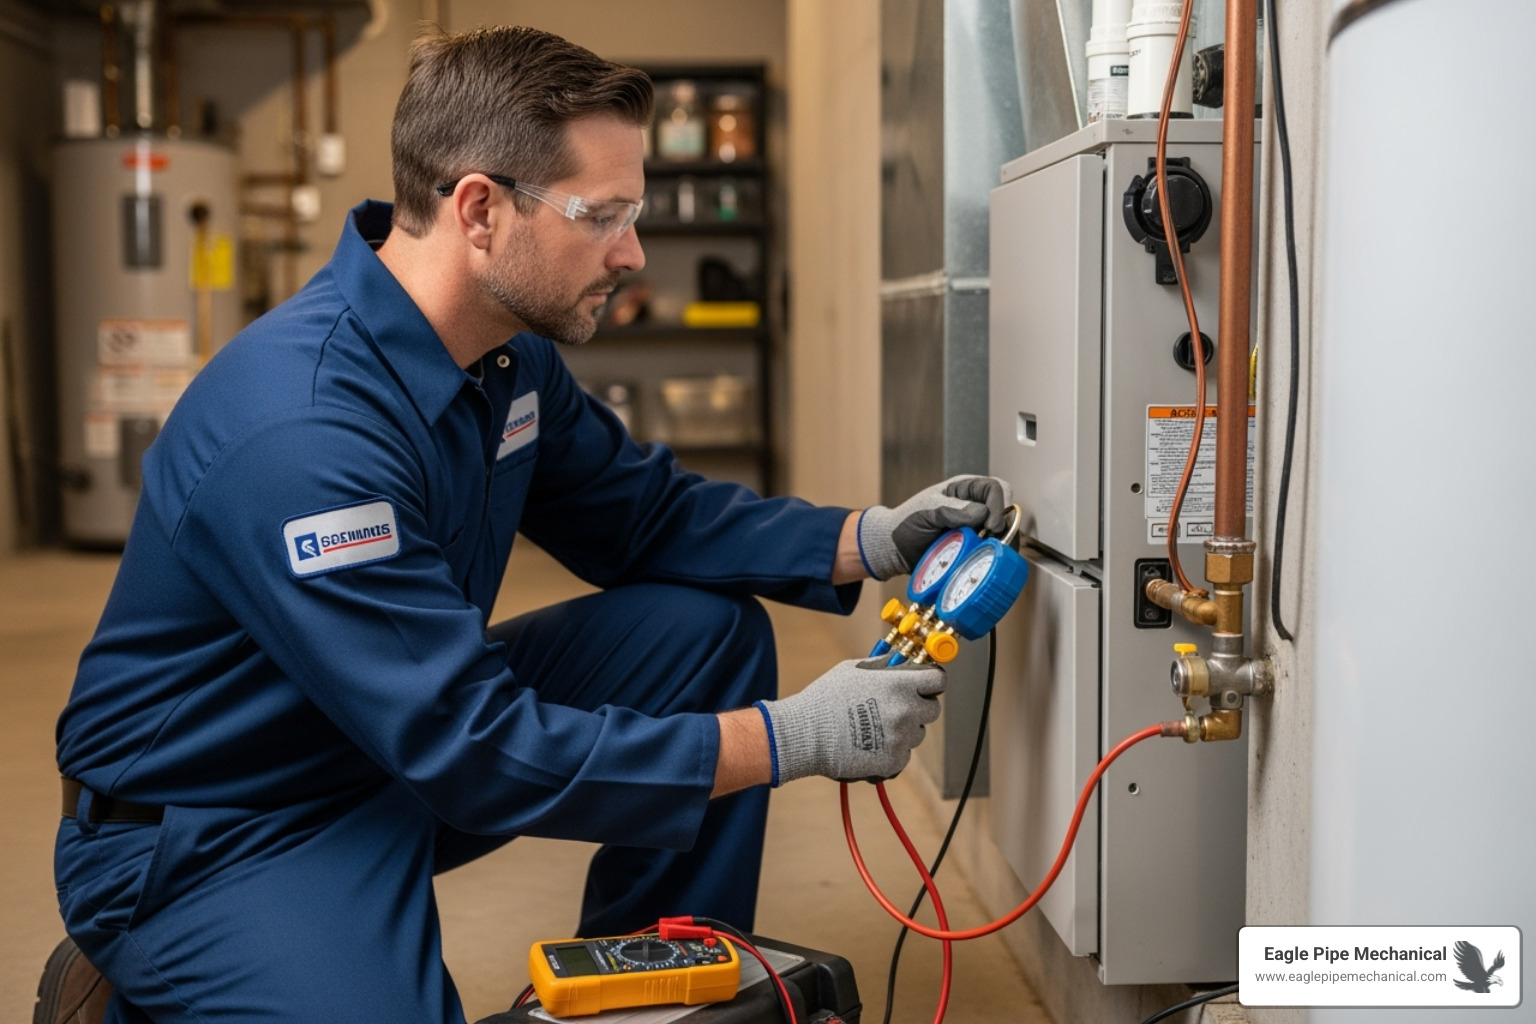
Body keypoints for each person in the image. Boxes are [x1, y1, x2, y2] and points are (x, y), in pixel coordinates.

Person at [51, 25, 1013, 1024]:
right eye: (603, 216)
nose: (633, 254)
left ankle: (657, 989)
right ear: (479, 210)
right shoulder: (303, 431)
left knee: (703, 639)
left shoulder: (502, 356)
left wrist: (869, 536)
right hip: (222, 824)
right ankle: (129, 985)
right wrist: (791, 738)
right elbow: (471, 745)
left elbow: (641, 514)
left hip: (381, 745)